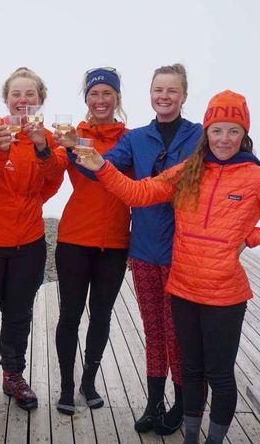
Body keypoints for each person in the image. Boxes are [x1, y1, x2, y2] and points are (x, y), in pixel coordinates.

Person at [77, 90, 260, 443]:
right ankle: (189, 438)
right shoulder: (189, 171)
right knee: (190, 368)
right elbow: (139, 193)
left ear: (244, 135)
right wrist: (102, 167)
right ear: (206, 132)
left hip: (225, 295)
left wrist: (250, 237)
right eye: (216, 130)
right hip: (182, 288)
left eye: (233, 131)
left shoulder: (257, 178)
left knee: (219, 375)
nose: (224, 139)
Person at [63, 64, 201, 433]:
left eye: (172, 90)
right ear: (150, 94)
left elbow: (229, 165)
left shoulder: (200, 137)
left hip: (183, 251)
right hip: (143, 248)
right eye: (158, 90)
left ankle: (182, 403)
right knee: (153, 331)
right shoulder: (136, 140)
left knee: (178, 332)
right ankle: (155, 403)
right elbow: (102, 169)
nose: (164, 96)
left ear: (184, 96)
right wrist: (74, 149)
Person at [0, 67, 62, 421]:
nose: (23, 101)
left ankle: (13, 376)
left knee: (18, 316)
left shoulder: (45, 137)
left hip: (28, 242)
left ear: (40, 100)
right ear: (6, 100)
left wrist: (42, 148)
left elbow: (53, 181)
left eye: (30, 94)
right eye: (16, 95)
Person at [36, 68, 130, 414]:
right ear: (86, 98)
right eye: (94, 94)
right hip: (75, 238)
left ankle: (88, 382)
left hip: (116, 241)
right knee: (70, 315)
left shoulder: (129, 139)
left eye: (108, 93)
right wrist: (46, 150)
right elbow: (53, 169)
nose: (101, 100)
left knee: (101, 315)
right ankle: (65, 386)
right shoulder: (72, 135)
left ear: (117, 98)